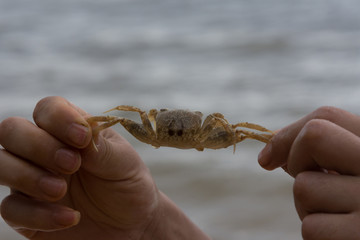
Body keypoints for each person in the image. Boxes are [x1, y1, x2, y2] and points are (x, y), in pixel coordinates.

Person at [0, 97, 358, 240]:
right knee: (115, 119)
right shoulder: (151, 125)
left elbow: (238, 129)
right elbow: (119, 116)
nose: (178, 130)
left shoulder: (207, 127)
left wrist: (272, 139)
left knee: (240, 131)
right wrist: (147, 230)